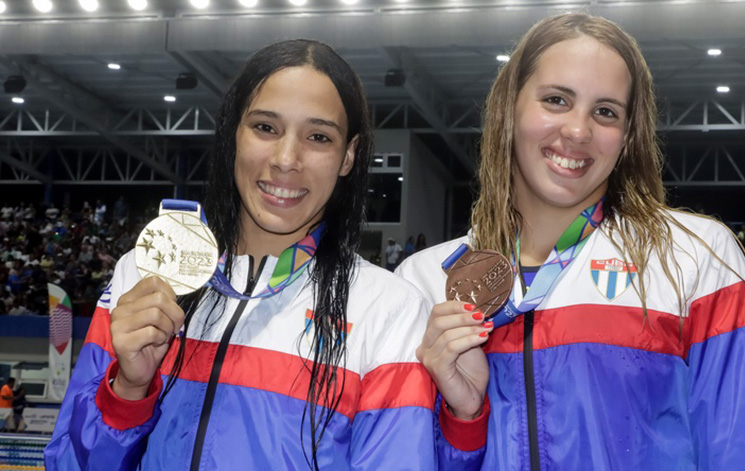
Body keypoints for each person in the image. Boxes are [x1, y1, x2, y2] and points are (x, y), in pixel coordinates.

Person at [397, 13, 745, 470]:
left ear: (627, 136)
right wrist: (464, 418)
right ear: (509, 108)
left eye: (605, 111)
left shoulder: (695, 259)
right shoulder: (426, 280)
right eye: (556, 100)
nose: (578, 131)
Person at [45, 40, 446, 470]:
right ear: (233, 132)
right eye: (265, 128)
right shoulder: (144, 274)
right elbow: (69, 463)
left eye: (318, 137)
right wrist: (128, 389)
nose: (286, 160)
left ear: (348, 156)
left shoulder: (388, 309)